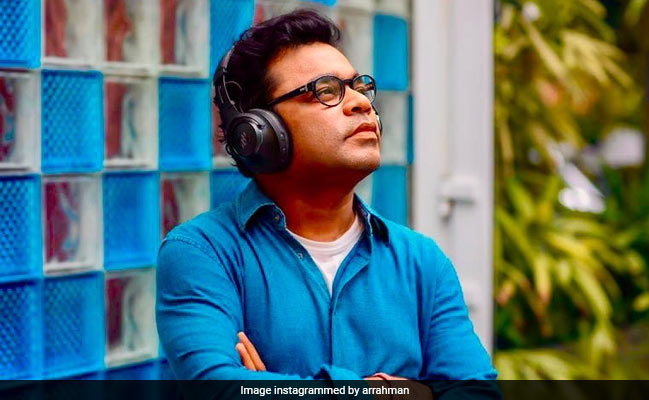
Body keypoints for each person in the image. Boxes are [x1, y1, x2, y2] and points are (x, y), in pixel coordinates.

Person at [156, 8, 499, 399]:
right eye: (326, 90)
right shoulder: (202, 253)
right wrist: (407, 392)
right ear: (258, 131)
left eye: (359, 87)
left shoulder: (421, 261)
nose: (361, 103)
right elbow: (220, 390)